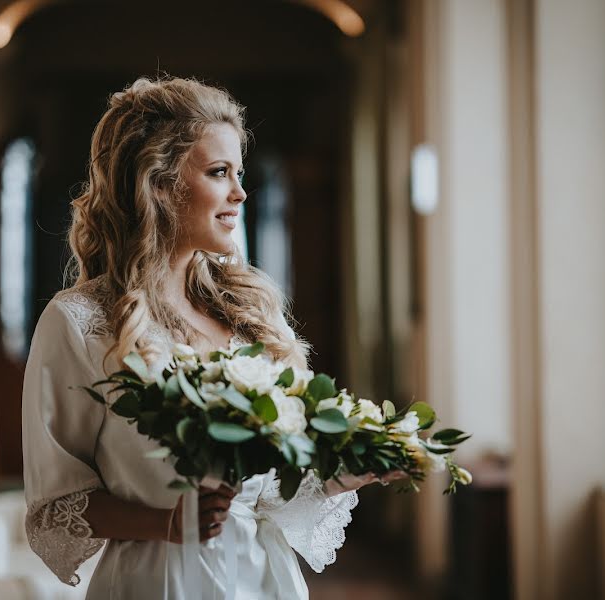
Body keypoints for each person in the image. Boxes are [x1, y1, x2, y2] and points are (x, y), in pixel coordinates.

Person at [22, 76, 406, 599]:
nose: (239, 192)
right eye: (219, 172)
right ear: (157, 183)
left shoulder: (251, 311)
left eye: (238, 173)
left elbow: (271, 498)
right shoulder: (81, 322)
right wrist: (168, 523)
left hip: (265, 581)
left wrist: (354, 469)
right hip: (157, 583)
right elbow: (57, 507)